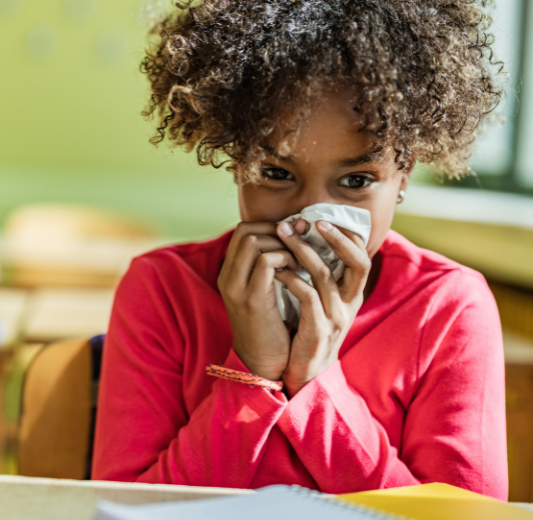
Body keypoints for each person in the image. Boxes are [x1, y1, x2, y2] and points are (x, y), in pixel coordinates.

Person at [92, 0, 508, 500]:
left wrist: (317, 376)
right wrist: (250, 371)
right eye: (276, 174)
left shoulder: (447, 308)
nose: (310, 216)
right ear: (236, 160)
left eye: (355, 180)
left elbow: (459, 516)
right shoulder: (163, 288)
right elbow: (123, 509)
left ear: (405, 172)